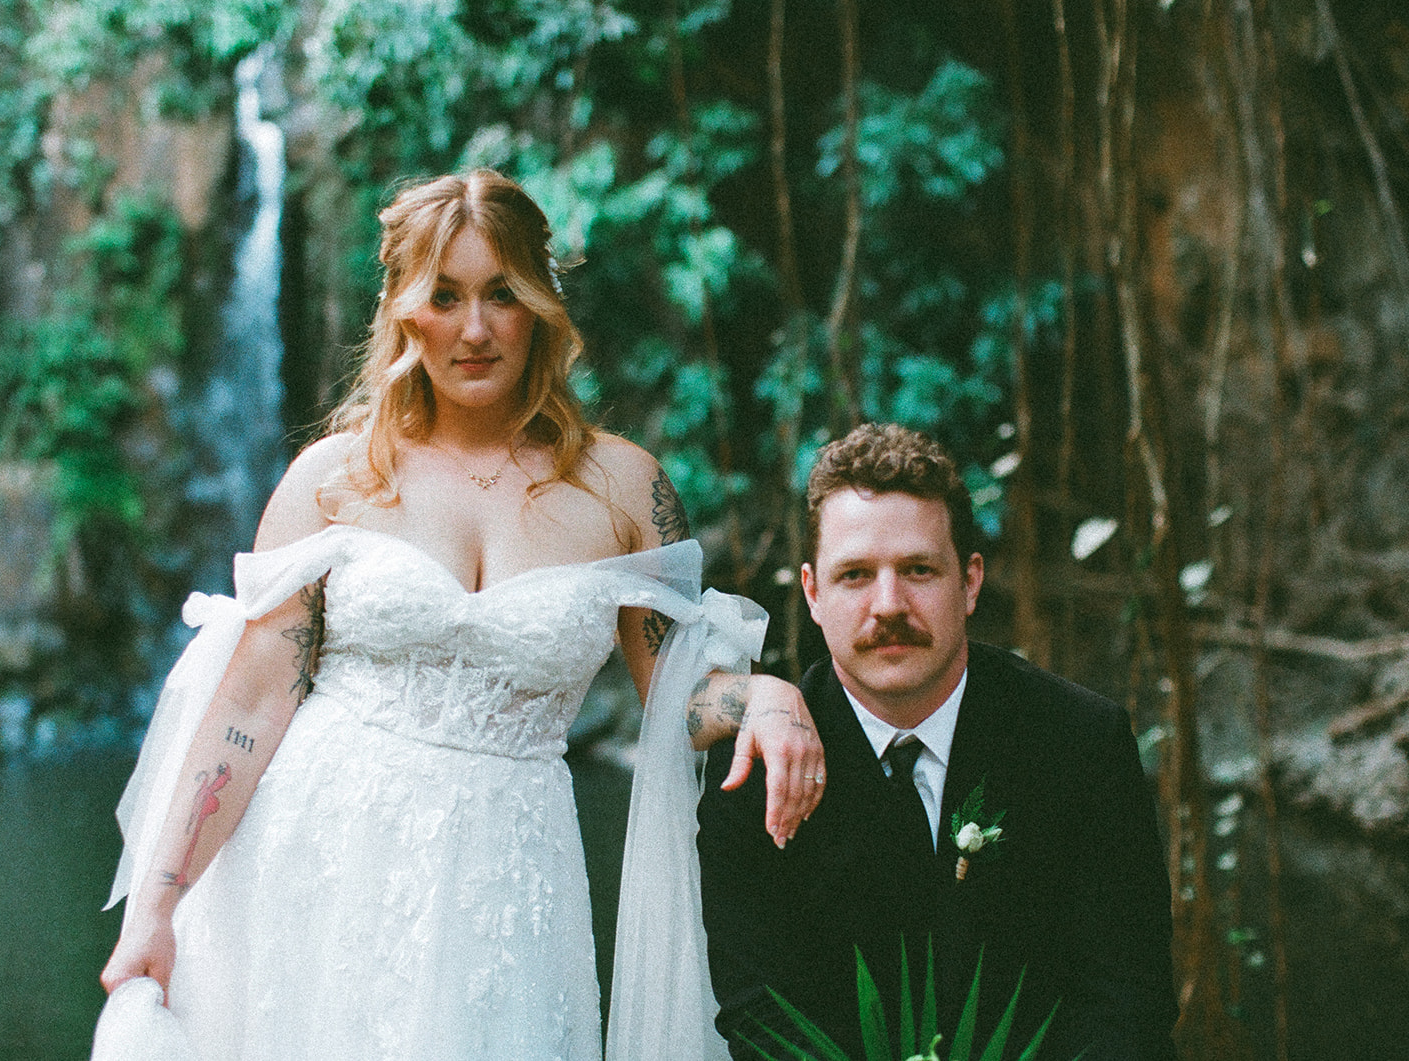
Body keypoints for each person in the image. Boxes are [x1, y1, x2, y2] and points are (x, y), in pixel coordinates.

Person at [90, 169, 824, 1061]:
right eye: (445, 295)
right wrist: (157, 908)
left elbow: (681, 694)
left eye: (500, 295)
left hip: (507, 885)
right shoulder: (332, 479)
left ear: (541, 309)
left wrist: (770, 695)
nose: (474, 328)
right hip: (320, 862)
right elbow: (249, 704)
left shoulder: (623, 487)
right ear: (405, 311)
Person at [697, 423, 1178, 1061]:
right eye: (856, 576)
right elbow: (763, 1020)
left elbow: (1127, 997)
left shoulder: (1081, 745)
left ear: (970, 582)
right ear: (812, 593)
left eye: (918, 570)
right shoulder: (750, 775)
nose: (888, 604)